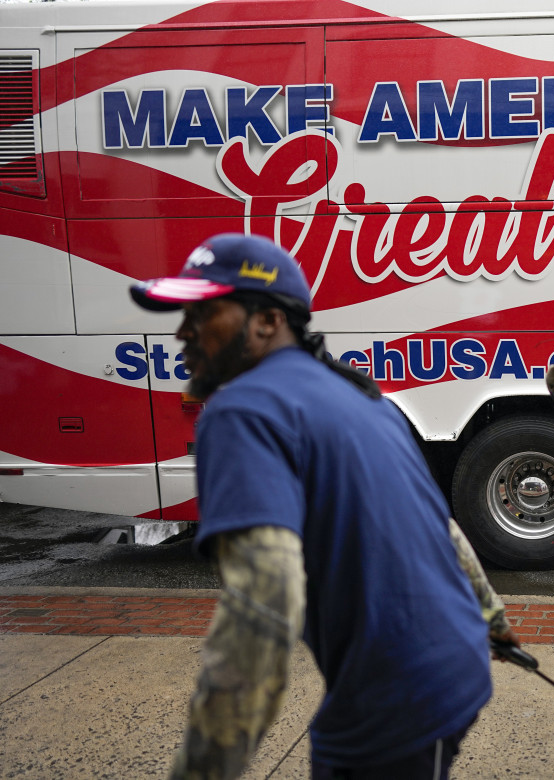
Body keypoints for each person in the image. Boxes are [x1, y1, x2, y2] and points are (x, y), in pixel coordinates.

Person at [129, 233, 516, 780]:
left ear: (266, 321)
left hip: (399, 697)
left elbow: (262, 609)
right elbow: (442, 527)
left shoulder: (242, 410)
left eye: (203, 311)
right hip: (451, 670)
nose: (183, 332)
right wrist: (494, 621)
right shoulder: (362, 395)